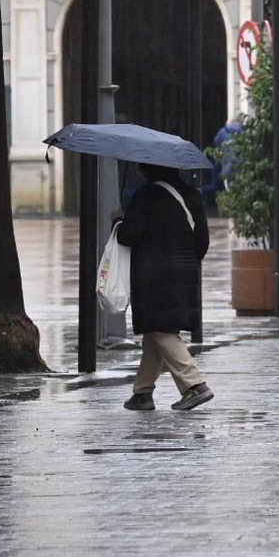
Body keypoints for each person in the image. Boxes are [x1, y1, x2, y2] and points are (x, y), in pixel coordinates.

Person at [114, 163, 213, 411]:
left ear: (148, 169)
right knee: (156, 328)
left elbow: (130, 235)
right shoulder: (192, 195)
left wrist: (118, 221)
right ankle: (142, 392)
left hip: (153, 275)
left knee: (161, 329)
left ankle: (194, 385)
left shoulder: (146, 196)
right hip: (185, 271)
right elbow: (202, 241)